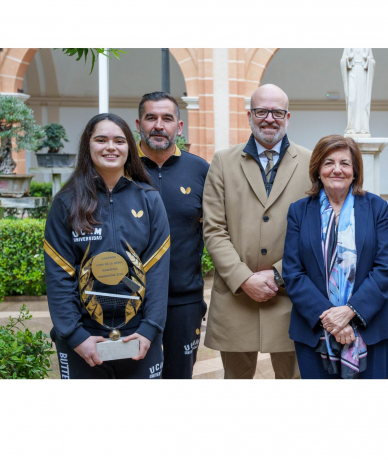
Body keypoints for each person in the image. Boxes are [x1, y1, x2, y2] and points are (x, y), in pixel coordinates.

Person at [43, 113, 170, 379]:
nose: (110, 147)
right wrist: (77, 337)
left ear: (129, 148)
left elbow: (158, 272)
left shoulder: (150, 200)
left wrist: (149, 329)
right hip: (83, 339)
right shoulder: (66, 203)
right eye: (101, 140)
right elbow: (58, 277)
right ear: (88, 146)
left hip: (139, 336)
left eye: (119, 140)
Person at [202, 84, 311, 379]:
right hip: (237, 298)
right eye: (261, 111)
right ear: (249, 115)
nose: (269, 119)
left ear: (288, 117)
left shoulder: (310, 162)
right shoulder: (223, 162)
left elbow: (314, 234)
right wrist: (244, 278)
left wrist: (278, 274)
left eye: (277, 112)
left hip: (291, 296)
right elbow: (213, 230)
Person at [282, 135, 388, 378]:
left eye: (345, 163)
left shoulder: (375, 207)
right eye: (329, 163)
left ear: (355, 171)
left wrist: (350, 311)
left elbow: (384, 268)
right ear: (317, 169)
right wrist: (331, 319)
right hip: (315, 330)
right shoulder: (299, 211)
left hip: (371, 327)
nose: (337, 169)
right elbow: (293, 272)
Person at [135, 92, 209, 379]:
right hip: (131, 300)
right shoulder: (122, 168)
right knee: (136, 376)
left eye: (167, 118)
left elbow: (216, 228)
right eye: (151, 117)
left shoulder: (200, 169)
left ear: (179, 127)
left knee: (180, 376)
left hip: (185, 300)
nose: (158, 125)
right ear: (138, 123)